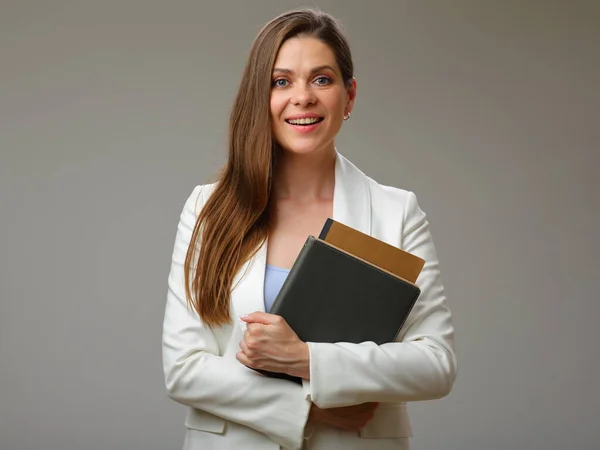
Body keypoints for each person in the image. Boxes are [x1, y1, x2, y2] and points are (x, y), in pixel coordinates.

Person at [162, 8, 457, 450]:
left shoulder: (397, 212)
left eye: (321, 79)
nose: (303, 97)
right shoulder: (208, 209)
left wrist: (306, 359)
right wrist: (309, 406)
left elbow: (436, 364)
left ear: (350, 95)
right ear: (259, 98)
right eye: (281, 82)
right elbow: (183, 368)